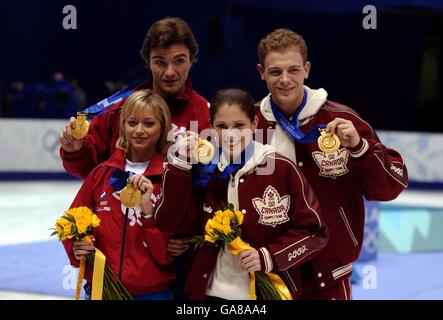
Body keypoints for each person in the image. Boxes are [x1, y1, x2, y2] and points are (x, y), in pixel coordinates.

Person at [58, 17, 210, 298]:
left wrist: (192, 233)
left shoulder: (204, 113)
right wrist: (74, 149)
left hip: (177, 258)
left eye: (179, 61)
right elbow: (93, 173)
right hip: (117, 262)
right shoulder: (121, 108)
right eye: (159, 62)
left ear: (193, 60)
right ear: (148, 61)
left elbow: (211, 187)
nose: (169, 72)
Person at [255, 28, 408, 299]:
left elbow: (389, 189)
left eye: (293, 70)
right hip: (268, 273)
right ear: (261, 72)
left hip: (328, 274)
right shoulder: (251, 123)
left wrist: (360, 149)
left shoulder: (341, 119)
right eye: (275, 72)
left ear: (307, 69)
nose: (285, 80)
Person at [154, 88, 329, 300]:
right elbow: (169, 224)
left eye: (239, 126)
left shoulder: (280, 168)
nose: (230, 135)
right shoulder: (204, 168)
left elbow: (314, 231)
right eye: (221, 126)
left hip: (265, 293)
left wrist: (269, 257)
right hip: (209, 292)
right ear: (210, 127)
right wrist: (180, 165)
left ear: (254, 124)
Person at [62, 90, 175, 299]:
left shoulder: (171, 179)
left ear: (163, 127)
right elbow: (70, 222)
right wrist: (77, 247)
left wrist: (148, 216)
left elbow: (170, 252)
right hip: (100, 289)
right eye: (132, 122)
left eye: (149, 123)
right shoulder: (101, 174)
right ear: (123, 125)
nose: (139, 130)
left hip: (152, 293)